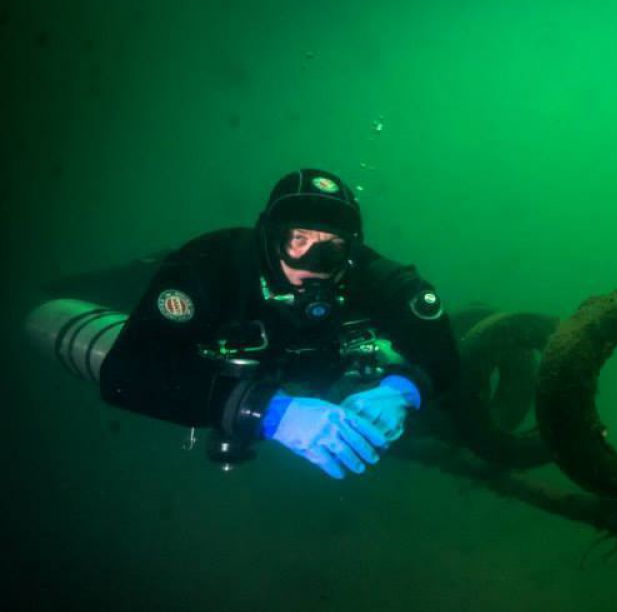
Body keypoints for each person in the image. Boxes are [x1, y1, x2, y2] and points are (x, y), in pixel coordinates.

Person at [98, 168, 460, 479]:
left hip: (304, 374)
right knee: (124, 290)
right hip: (175, 306)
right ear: (271, 238)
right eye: (298, 240)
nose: (316, 262)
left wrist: (403, 389)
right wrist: (268, 411)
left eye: (333, 247)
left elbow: (441, 351)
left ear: (352, 250)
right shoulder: (211, 265)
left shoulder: (375, 278)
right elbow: (124, 373)